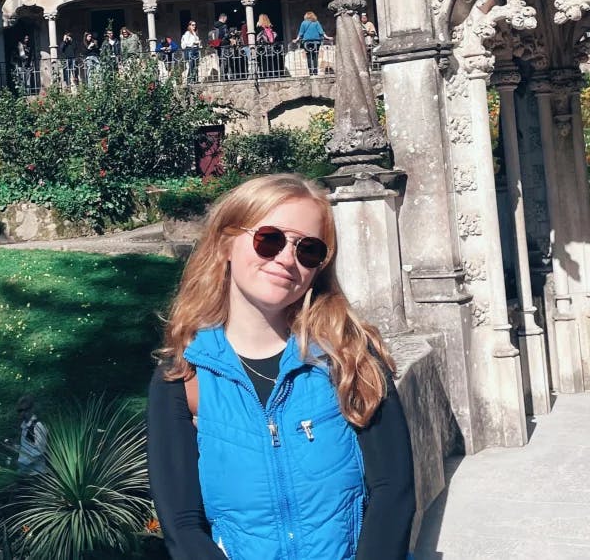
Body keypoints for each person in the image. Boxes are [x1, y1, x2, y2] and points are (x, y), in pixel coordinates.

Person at [147, 173, 415, 559]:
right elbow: (182, 526)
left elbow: (394, 494)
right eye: (269, 240)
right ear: (226, 243)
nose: (287, 259)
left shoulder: (351, 357)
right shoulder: (182, 376)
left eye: (308, 250)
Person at [16, 395, 49, 475]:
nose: (22, 413)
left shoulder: (37, 426)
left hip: (37, 473)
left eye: (25, 410)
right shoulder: (24, 426)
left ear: (31, 409)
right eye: (19, 411)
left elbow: (40, 450)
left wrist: (23, 463)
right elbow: (27, 447)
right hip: (25, 472)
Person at [293, 11, 328, 77]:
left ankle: (310, 72)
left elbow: (301, 33)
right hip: (316, 42)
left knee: (309, 56)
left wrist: (297, 39)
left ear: (306, 16)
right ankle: (315, 71)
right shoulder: (316, 22)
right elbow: (321, 32)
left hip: (307, 42)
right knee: (315, 56)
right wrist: (327, 37)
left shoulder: (303, 23)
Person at [255, 13, 280, 78]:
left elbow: (258, 37)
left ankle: (265, 74)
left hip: (263, 46)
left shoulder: (259, 27)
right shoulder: (270, 26)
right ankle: (273, 73)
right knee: (271, 60)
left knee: (264, 61)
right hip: (270, 45)